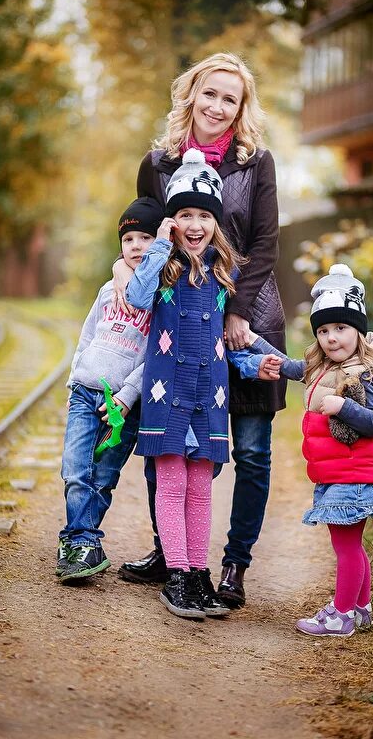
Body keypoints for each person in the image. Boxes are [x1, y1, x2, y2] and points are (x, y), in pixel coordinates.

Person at [116, 52, 286, 607]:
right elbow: (142, 232)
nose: (217, 106)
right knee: (165, 436)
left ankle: (232, 565)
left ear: (242, 108)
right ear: (190, 94)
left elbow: (264, 243)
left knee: (253, 451)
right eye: (208, 93)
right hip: (172, 319)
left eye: (229, 98)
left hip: (247, 314)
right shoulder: (157, 163)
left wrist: (237, 309)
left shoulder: (255, 162)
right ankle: (174, 556)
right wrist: (125, 277)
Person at [125, 149, 271, 620]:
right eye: (183, 214)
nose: (194, 223)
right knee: (170, 487)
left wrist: (257, 368)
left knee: (202, 489)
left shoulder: (219, 274)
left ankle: (196, 570)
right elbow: (136, 296)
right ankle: (178, 577)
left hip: (208, 400)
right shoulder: (162, 269)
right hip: (168, 399)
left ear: (216, 222)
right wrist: (160, 245)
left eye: (203, 215)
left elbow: (225, 348)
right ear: (171, 220)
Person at [232, 263, 373, 636]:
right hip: (337, 474)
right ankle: (360, 608)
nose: (331, 337)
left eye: (340, 328)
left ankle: (341, 615)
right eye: (323, 330)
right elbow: (291, 366)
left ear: (358, 330)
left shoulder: (366, 373)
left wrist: (344, 407)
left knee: (346, 548)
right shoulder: (322, 368)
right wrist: (256, 343)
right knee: (350, 545)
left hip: (353, 475)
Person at [56, 197, 164, 583]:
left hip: (124, 405)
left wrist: (127, 395)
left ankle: (79, 543)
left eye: (146, 238)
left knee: (103, 476)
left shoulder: (161, 298)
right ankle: (82, 540)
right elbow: (87, 338)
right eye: (129, 238)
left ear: (162, 243)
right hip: (87, 392)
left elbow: (155, 356)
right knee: (74, 470)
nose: (136, 246)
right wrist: (73, 380)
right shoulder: (107, 290)